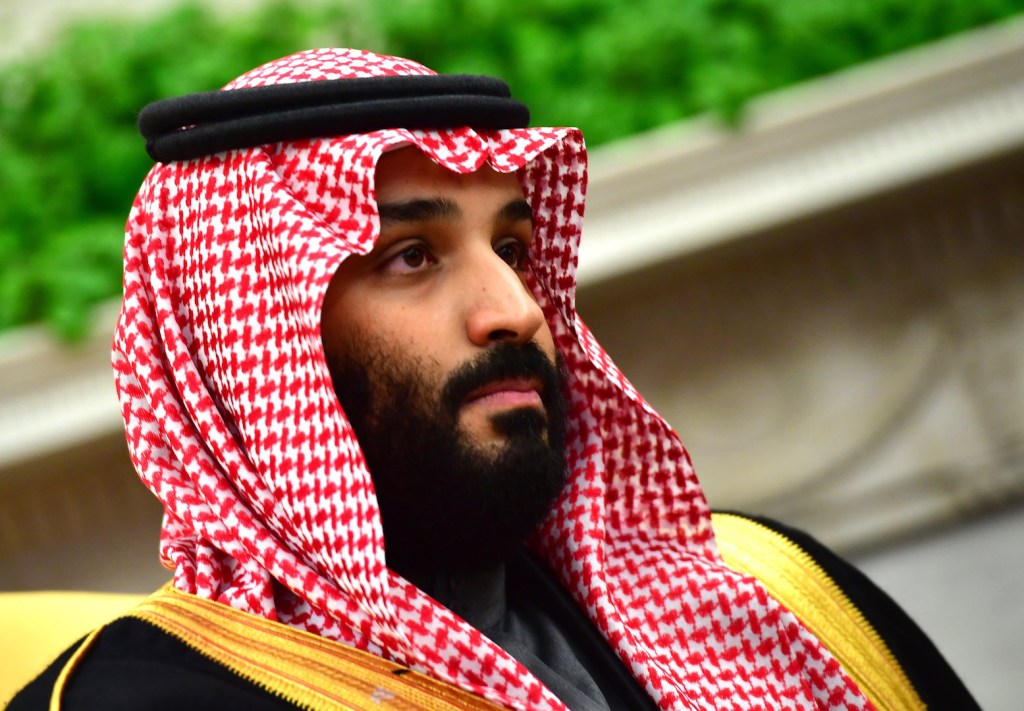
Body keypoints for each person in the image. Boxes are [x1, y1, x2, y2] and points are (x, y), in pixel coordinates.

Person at [8, 48, 978, 711]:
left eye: (511, 244)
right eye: (411, 258)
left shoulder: (782, 598)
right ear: (249, 347)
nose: (513, 307)